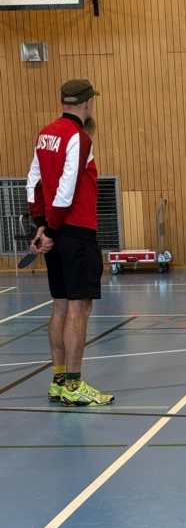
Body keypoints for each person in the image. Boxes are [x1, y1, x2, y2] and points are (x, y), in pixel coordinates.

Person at [26, 79, 114, 406]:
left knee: (60, 304)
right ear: (88, 103)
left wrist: (40, 225)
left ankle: (59, 381)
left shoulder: (45, 134)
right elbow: (66, 186)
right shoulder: (80, 138)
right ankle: (74, 387)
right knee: (80, 307)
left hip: (56, 231)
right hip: (75, 232)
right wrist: (49, 227)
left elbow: (33, 182)